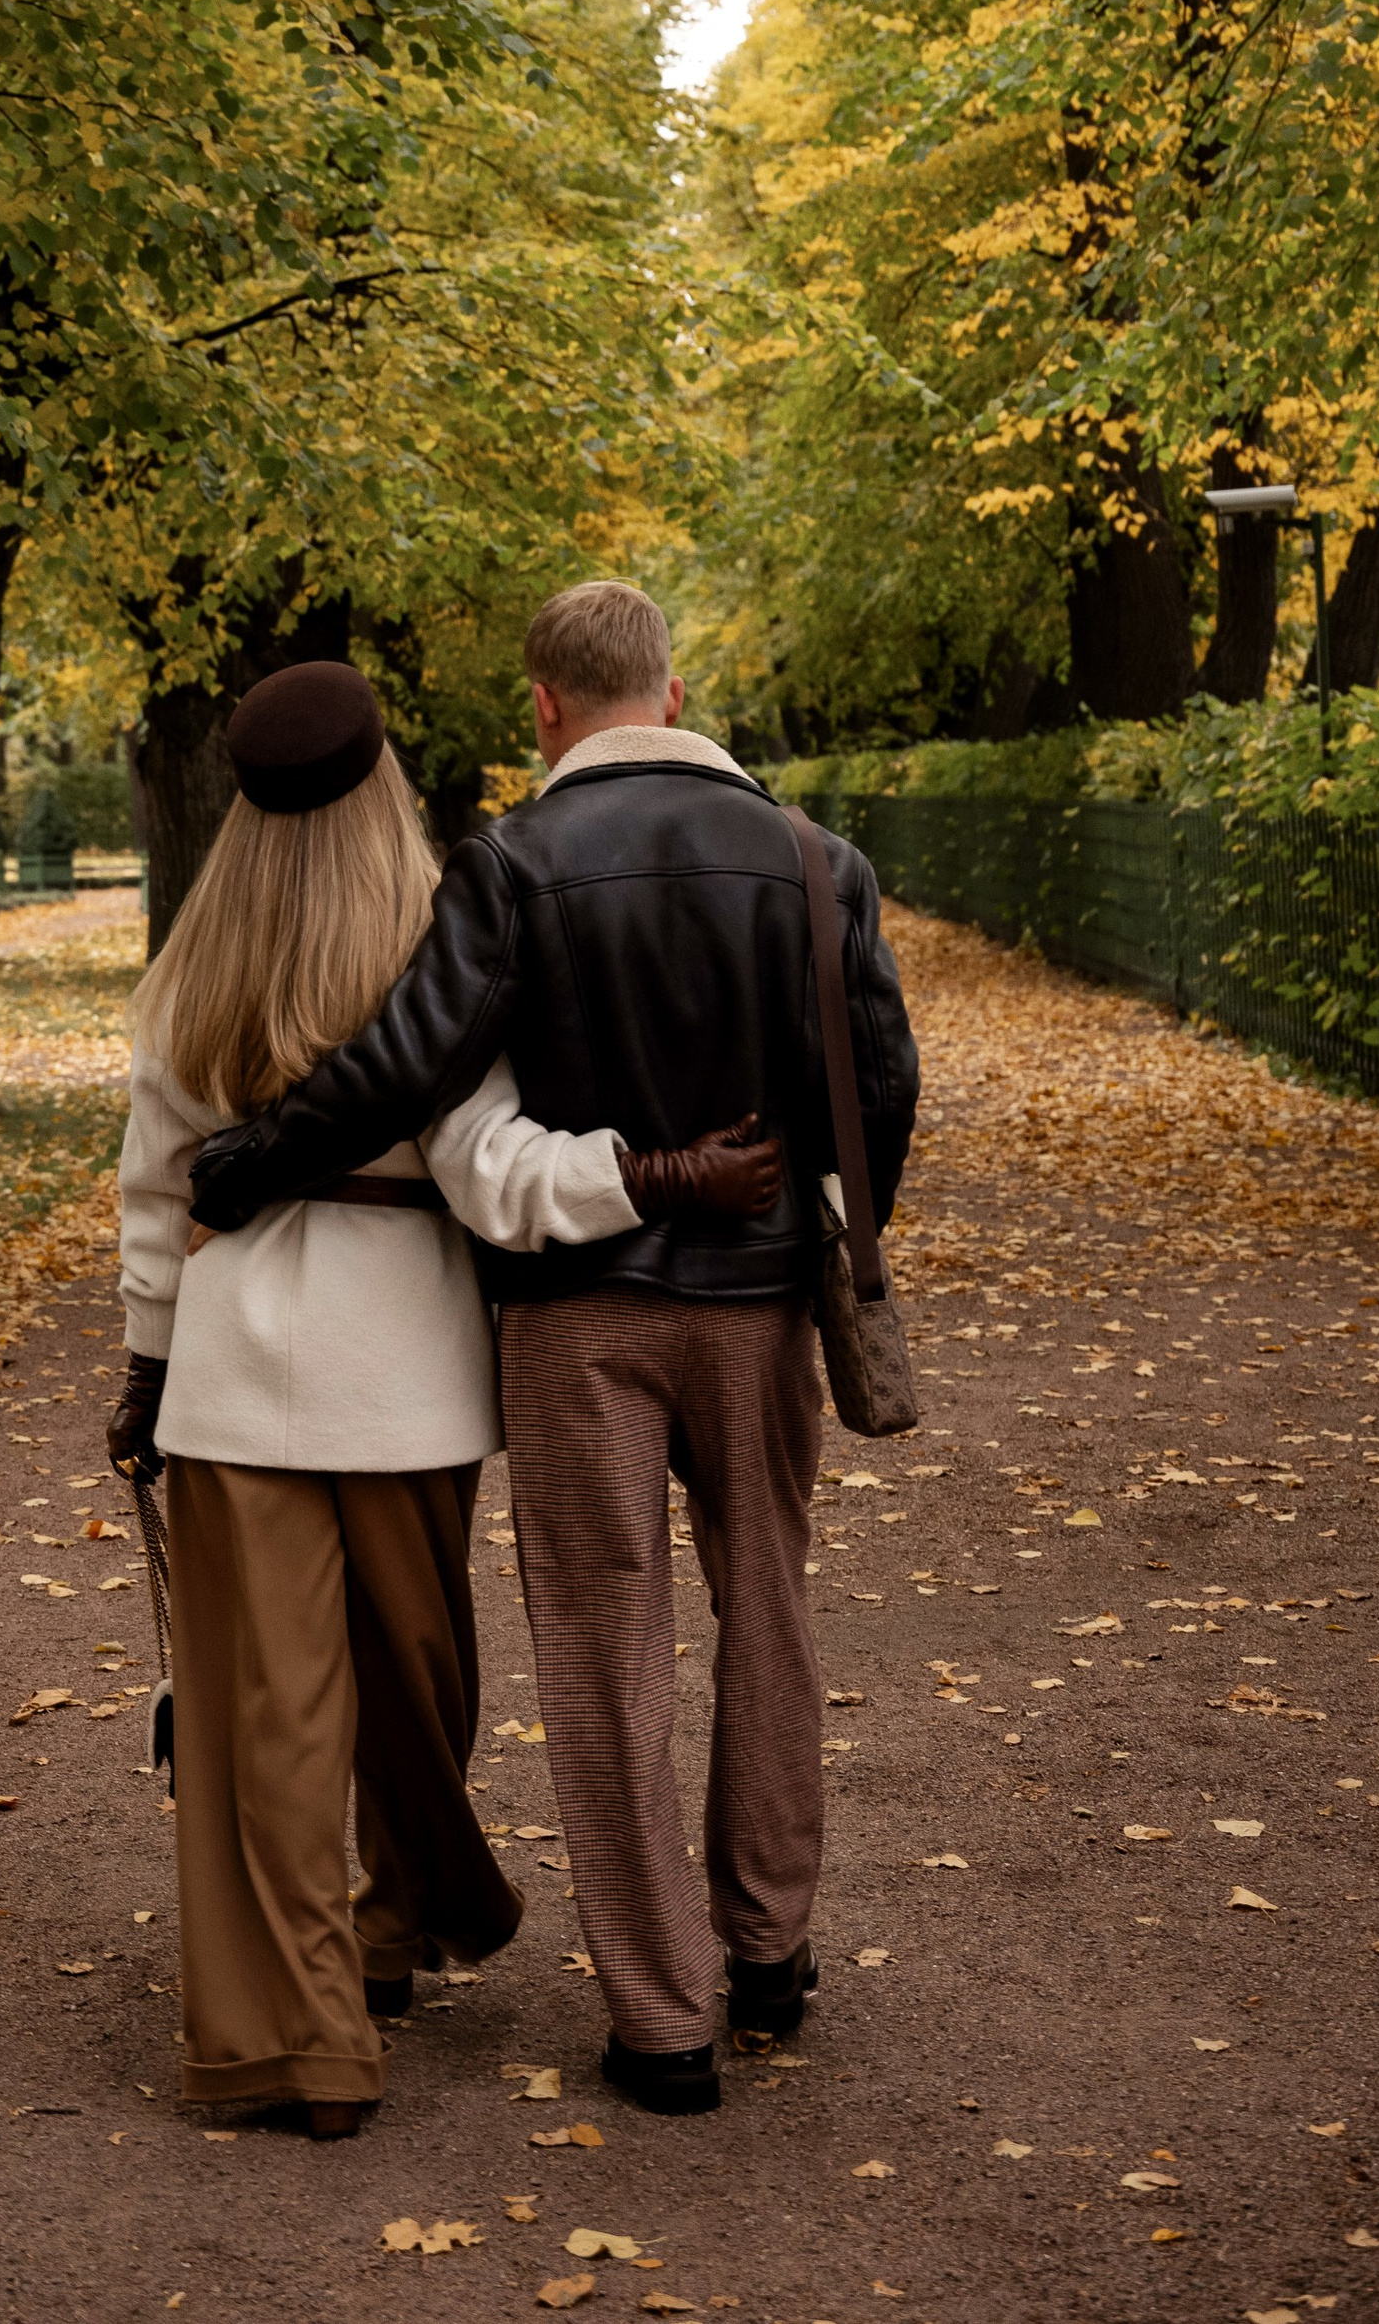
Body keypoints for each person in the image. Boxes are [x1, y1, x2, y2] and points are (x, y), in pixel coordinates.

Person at [189, 582, 918, 2120]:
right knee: (770, 1609)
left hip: (579, 1319)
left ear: (543, 706)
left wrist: (256, 1159)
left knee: (605, 1656)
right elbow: (883, 1081)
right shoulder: (817, 864)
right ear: (671, 686)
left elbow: (412, 1061)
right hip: (762, 1305)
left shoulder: (512, 862)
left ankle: (662, 2023)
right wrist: (830, 1237)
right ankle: (772, 1947)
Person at [112, 658, 777, 2139]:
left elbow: (154, 1196)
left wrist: (147, 1365)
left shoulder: (192, 967)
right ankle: (370, 1956)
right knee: (418, 1680)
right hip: (407, 1369)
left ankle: (320, 2010)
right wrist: (652, 1181)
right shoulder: (450, 932)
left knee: (279, 1710)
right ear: (385, 790)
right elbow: (489, 1159)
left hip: (231, 1374)